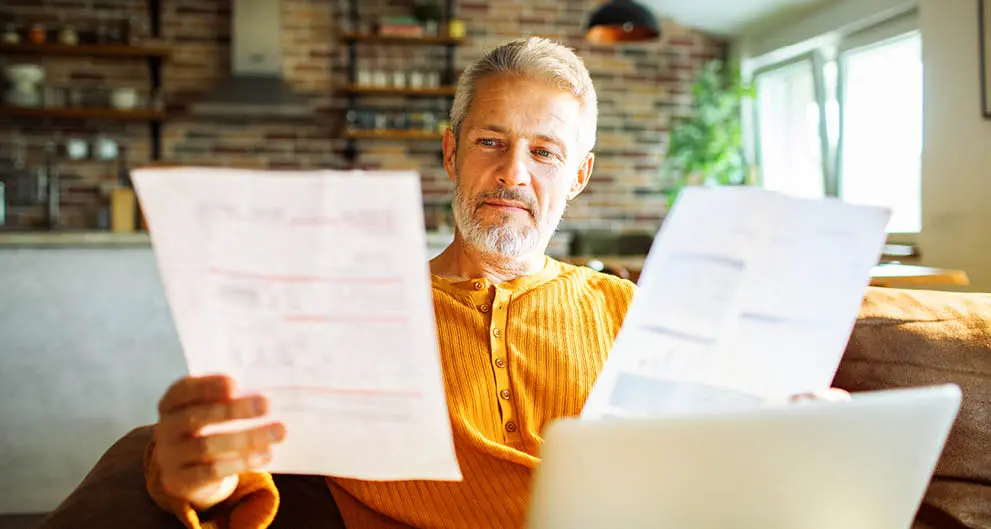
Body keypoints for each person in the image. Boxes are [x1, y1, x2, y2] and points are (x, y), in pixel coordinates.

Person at [145, 37, 843, 529]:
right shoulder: (349, 310)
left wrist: (795, 431)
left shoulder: (629, 310)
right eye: (490, 141)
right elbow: (239, 461)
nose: (513, 173)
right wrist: (199, 474)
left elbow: (715, 462)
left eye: (544, 152)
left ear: (578, 176)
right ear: (451, 152)